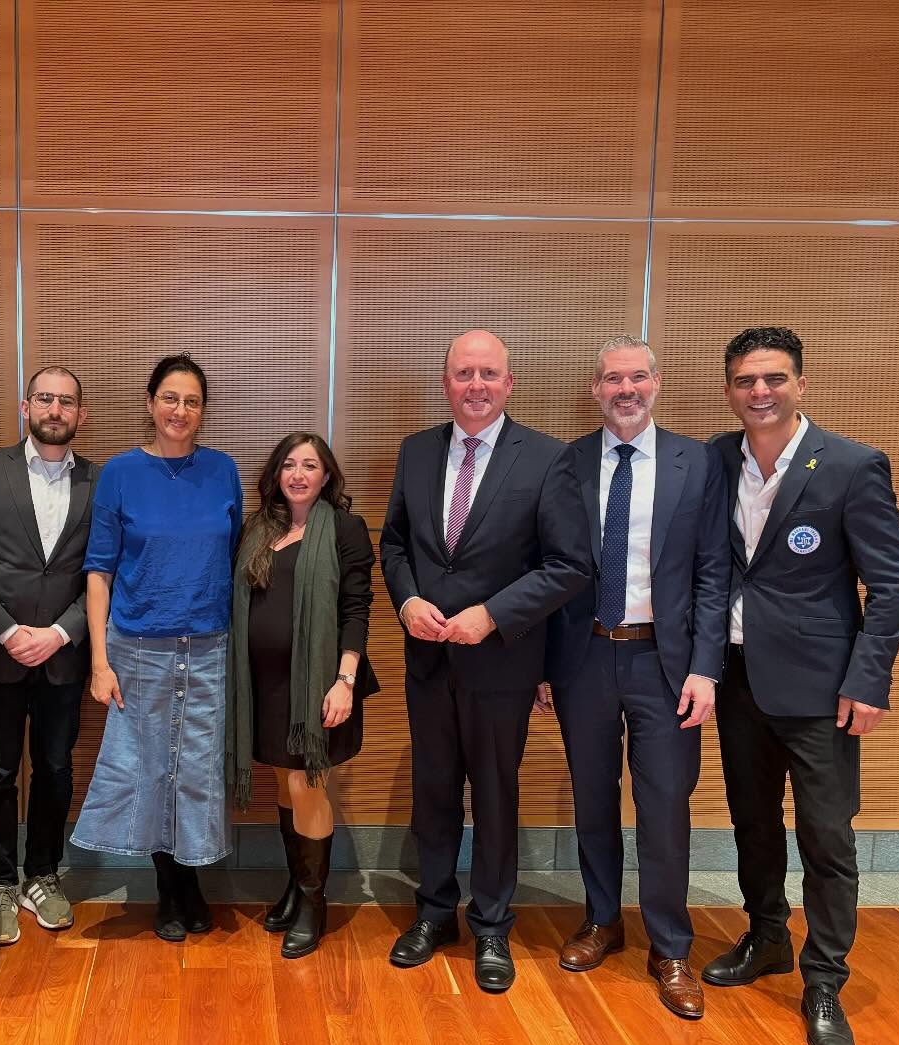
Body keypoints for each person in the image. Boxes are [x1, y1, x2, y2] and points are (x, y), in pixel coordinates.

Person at [701, 328, 899, 1045]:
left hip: (823, 692)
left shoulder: (851, 466)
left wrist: (868, 679)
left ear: (801, 384)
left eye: (775, 378)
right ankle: (767, 939)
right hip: (738, 683)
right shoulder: (714, 459)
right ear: (729, 389)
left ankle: (824, 981)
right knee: (752, 825)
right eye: (746, 380)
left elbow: (890, 585)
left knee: (828, 841)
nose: (760, 391)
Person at [379, 329, 590, 991]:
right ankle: (435, 911)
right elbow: (393, 546)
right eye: (463, 373)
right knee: (433, 795)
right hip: (428, 662)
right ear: (446, 383)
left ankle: (493, 925)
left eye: (488, 374)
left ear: (509, 384)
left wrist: (493, 614)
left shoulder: (548, 459)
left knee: (495, 796)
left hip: (502, 665)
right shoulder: (416, 451)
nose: (475, 385)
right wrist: (408, 600)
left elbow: (569, 565)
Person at [538, 336, 729, 1019]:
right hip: (583, 657)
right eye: (613, 379)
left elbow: (715, 573)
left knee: (665, 806)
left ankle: (671, 945)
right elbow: (551, 570)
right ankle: (602, 921)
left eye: (638, 377)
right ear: (595, 389)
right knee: (593, 797)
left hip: (665, 663)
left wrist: (707, 667)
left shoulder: (697, 462)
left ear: (658, 382)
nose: (626, 389)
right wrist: (543, 667)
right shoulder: (568, 463)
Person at [71, 353, 243, 941]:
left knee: (195, 770)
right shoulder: (119, 472)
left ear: (203, 412)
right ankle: (170, 892)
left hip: (210, 645)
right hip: (137, 644)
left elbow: (236, 555)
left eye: (192, 401)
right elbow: (98, 570)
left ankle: (190, 886)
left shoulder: (223, 471)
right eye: (170, 398)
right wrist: (99, 660)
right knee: (148, 769)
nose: (180, 410)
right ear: (150, 403)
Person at [0, 365, 96, 947]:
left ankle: (43, 874)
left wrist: (61, 632)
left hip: (65, 655)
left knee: (57, 770)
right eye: (45, 399)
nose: (55, 409)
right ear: (25, 406)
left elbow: (107, 572)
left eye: (67, 402)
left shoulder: (100, 481)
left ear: (81, 416)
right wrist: (8, 631)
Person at [226, 432, 378, 959]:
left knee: (305, 783)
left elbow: (357, 607)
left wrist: (345, 679)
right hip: (263, 688)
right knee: (284, 787)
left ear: (327, 475)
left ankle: (314, 903)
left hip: (317, 685)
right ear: (275, 475)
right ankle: (295, 885)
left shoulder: (344, 529)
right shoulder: (258, 530)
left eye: (310, 465)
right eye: (288, 464)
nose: (298, 474)